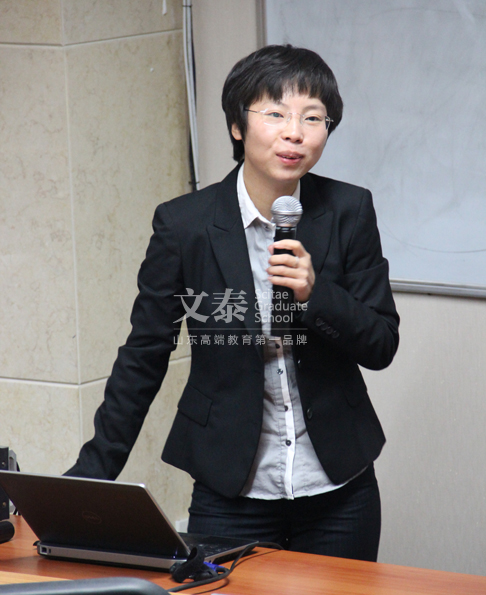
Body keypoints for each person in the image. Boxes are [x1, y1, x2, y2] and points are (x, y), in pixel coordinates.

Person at [66, 45, 399, 562]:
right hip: (230, 489)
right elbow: (144, 355)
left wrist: (316, 294)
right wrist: (89, 481)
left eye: (313, 118)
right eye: (276, 114)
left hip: (339, 488)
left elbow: (380, 344)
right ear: (237, 126)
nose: (295, 133)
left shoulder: (349, 209)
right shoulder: (185, 225)